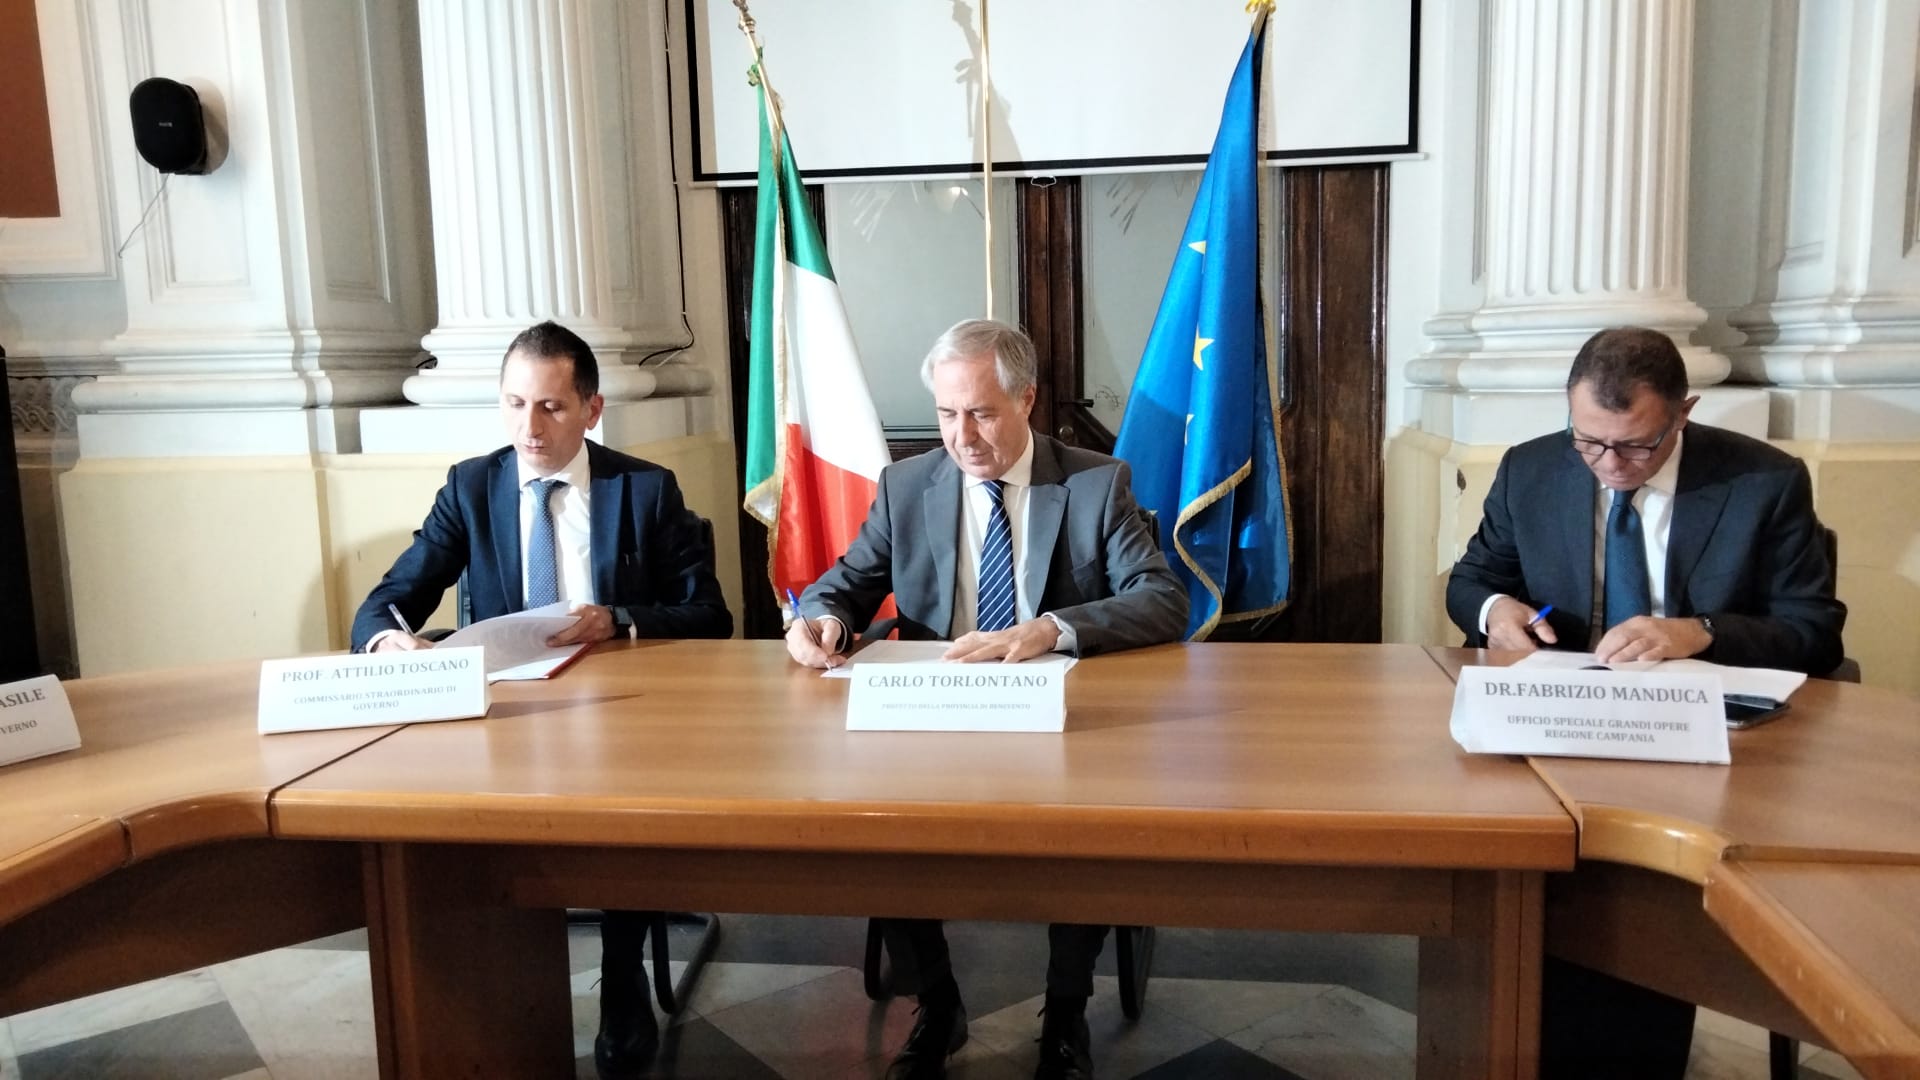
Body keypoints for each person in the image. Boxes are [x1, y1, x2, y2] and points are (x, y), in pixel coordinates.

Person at [786, 319, 1187, 1080]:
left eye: (980, 413)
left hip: (1057, 721)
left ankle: (1065, 1011)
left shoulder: (1095, 481)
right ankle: (937, 1004)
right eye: (946, 414)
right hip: (933, 714)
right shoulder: (909, 485)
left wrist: (1050, 629)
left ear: (1026, 399)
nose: (961, 437)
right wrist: (826, 620)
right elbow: (845, 584)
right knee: (877, 825)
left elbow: (1163, 600)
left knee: (1089, 828)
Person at [1446, 325, 1847, 1077]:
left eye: (1635, 446)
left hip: (1695, 745)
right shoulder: (1531, 468)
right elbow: (1473, 580)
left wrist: (1699, 632)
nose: (1608, 464)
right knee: (1511, 875)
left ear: (1683, 413)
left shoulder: (1763, 481)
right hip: (1560, 723)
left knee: (1638, 902)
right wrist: (1497, 611)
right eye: (1589, 442)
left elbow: (1814, 632)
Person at [350, 320, 732, 1080]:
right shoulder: (472, 487)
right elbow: (387, 602)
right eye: (515, 403)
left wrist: (619, 617)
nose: (530, 427)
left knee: (624, 808)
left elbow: (710, 616)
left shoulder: (643, 489)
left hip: (623, 712)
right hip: (509, 718)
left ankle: (622, 976)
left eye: (552, 407)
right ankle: (490, 984)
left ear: (591, 409)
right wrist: (390, 642)